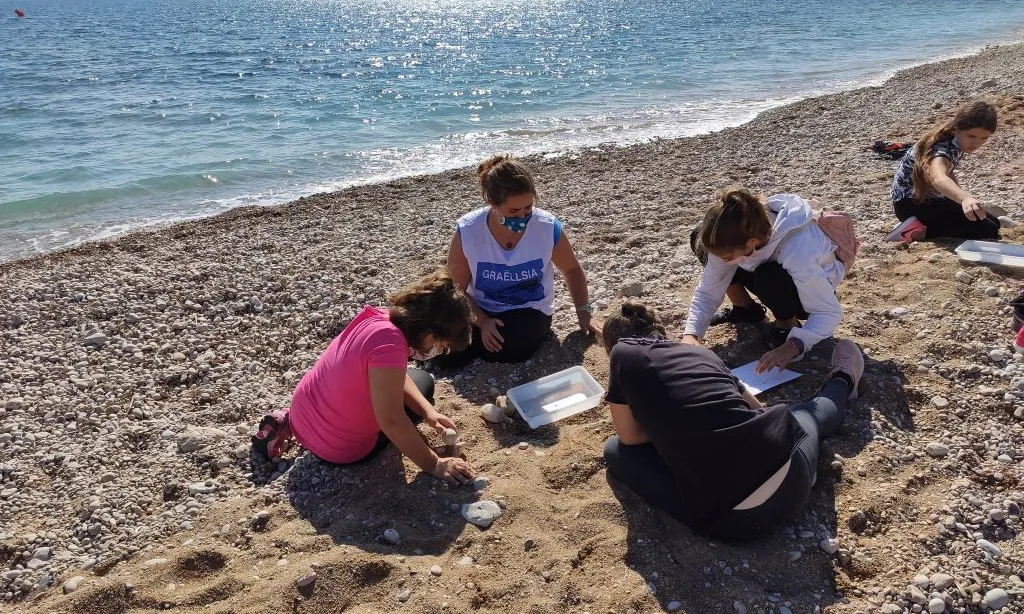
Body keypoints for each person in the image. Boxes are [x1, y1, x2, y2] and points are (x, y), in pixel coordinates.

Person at [600, 300, 864, 541]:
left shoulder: (622, 353)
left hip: (738, 521)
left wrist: (668, 429)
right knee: (809, 413)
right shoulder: (702, 354)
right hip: (792, 473)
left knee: (615, 450)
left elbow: (629, 436)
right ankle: (843, 379)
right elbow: (756, 407)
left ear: (612, 345)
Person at [251, 270, 477, 484]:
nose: (437, 351)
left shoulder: (382, 319)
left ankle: (285, 423)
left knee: (416, 382)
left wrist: (429, 412)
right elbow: (391, 421)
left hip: (302, 415)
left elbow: (393, 375)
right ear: (429, 331)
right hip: (338, 448)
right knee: (424, 384)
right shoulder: (390, 345)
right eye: (440, 345)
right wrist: (435, 464)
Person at [445, 154, 598, 364]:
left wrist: (584, 312)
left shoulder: (546, 227)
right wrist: (482, 321)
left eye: (528, 208)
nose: (522, 218)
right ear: (492, 203)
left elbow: (571, 270)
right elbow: (457, 289)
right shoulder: (469, 231)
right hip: (481, 307)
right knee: (445, 323)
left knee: (516, 343)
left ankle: (458, 348)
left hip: (529, 309)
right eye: (513, 212)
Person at [684, 186, 846, 375]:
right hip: (762, 268)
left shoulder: (797, 246)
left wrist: (795, 344)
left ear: (752, 242)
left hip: (808, 296)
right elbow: (709, 289)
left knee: (768, 274)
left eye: (727, 257)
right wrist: (691, 335)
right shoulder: (741, 233)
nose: (723, 262)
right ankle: (746, 310)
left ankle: (787, 324)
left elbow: (828, 311)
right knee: (700, 237)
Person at [886, 100, 1001, 243]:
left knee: (995, 222)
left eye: (983, 138)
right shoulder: (941, 147)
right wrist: (964, 198)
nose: (976, 143)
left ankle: (922, 226)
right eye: (971, 136)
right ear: (956, 129)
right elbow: (938, 178)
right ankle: (913, 231)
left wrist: (959, 198)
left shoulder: (956, 141)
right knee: (988, 230)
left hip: (928, 198)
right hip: (910, 204)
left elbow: (947, 172)